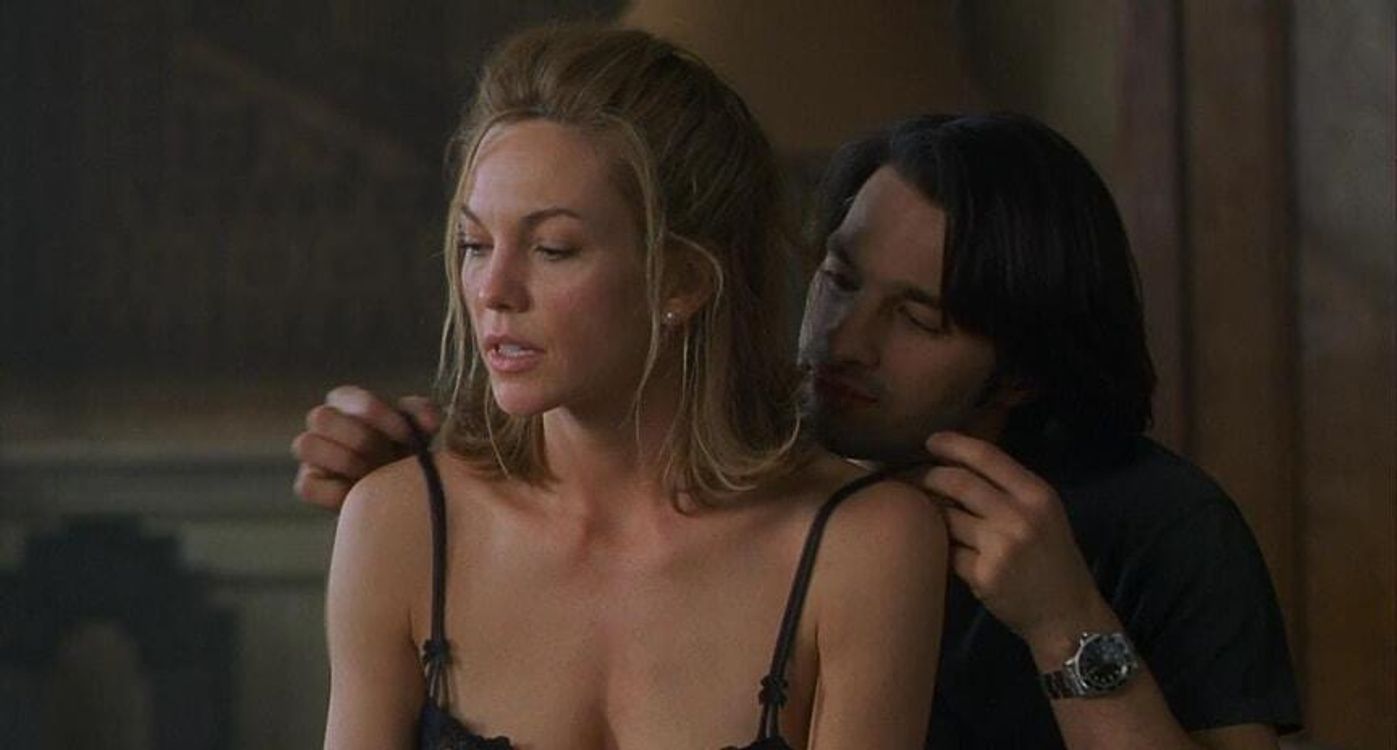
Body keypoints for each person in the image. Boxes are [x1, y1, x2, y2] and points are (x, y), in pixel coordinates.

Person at [298, 112, 1301, 748]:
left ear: (1022, 367)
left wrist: (1063, 623)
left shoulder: (1157, 523)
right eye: (838, 279)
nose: (842, 341)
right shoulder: (754, 460)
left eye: (915, 319)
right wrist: (428, 489)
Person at [318, 24, 946, 750]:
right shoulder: (399, 525)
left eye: (552, 248)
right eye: (474, 244)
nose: (492, 289)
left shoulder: (862, 544)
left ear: (682, 279)